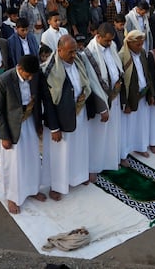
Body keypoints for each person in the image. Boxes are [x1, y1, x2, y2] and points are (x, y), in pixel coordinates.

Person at [41, 35, 105, 201]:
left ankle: (78, 176)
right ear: (59, 50)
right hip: (61, 120)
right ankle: (57, 186)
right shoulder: (49, 70)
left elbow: (89, 84)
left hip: (80, 113)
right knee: (60, 154)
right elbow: (48, 102)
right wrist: (54, 128)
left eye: (75, 51)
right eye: (70, 52)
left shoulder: (78, 62)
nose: (73, 55)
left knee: (80, 148)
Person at [0, 54, 45, 214]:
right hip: (12, 128)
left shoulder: (33, 76)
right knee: (14, 163)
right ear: (20, 68)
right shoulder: (4, 80)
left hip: (29, 122)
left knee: (32, 158)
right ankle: (12, 196)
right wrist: (4, 136)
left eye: (32, 75)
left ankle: (32, 189)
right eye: (27, 75)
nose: (30, 78)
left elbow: (37, 101)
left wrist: (38, 124)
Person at [84, 23, 124, 171]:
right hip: (101, 100)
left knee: (114, 131)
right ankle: (94, 167)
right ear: (98, 36)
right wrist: (102, 108)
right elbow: (93, 83)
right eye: (107, 40)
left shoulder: (111, 46)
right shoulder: (89, 53)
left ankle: (112, 159)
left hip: (115, 95)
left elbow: (116, 67)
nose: (109, 43)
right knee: (98, 136)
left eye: (111, 40)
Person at [118, 29, 153, 158]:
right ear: (129, 43)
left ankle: (140, 146)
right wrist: (125, 103)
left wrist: (151, 94)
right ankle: (124, 154)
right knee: (127, 128)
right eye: (138, 44)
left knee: (141, 124)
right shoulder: (122, 56)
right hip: (130, 98)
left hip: (142, 95)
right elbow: (121, 84)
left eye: (142, 44)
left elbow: (147, 74)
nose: (140, 47)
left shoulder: (142, 53)